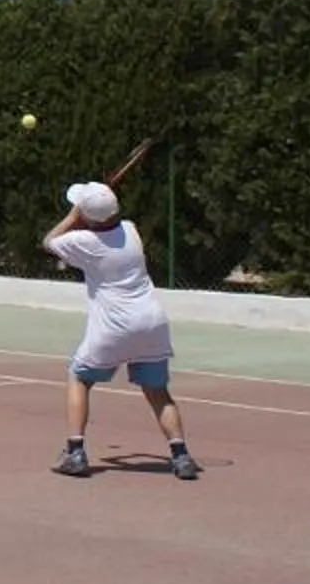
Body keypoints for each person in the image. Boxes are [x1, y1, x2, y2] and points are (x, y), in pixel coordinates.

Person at [43, 180, 196, 480]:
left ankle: (75, 453)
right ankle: (182, 458)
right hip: (151, 322)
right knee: (158, 391)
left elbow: (49, 241)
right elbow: (107, 221)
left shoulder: (82, 242)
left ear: (87, 217)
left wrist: (74, 217)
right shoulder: (130, 230)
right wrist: (87, 213)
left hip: (113, 327)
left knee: (79, 377)